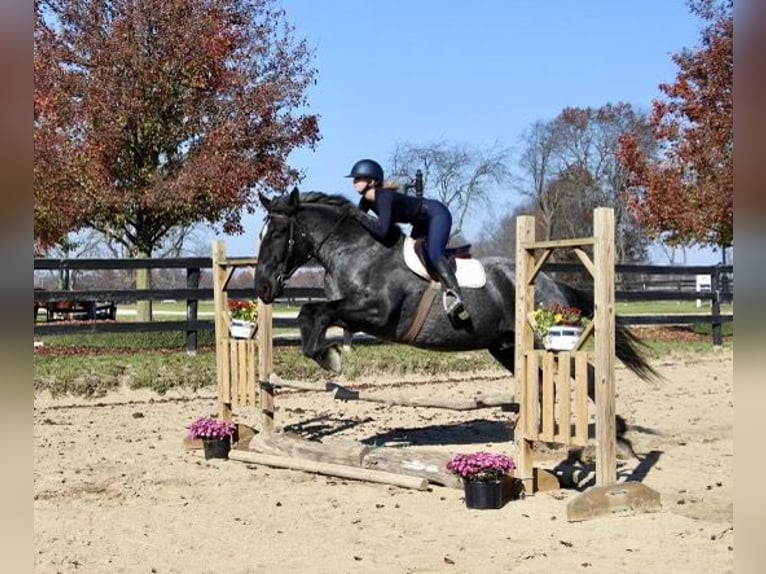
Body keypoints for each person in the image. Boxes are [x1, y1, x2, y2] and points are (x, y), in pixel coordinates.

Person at [346, 158, 470, 322]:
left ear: (371, 181)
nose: (354, 182)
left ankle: (456, 295)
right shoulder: (366, 201)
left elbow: (382, 231)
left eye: (357, 178)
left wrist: (360, 217)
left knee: (434, 255)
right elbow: (359, 222)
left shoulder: (383, 196)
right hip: (420, 222)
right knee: (410, 257)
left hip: (436, 214)